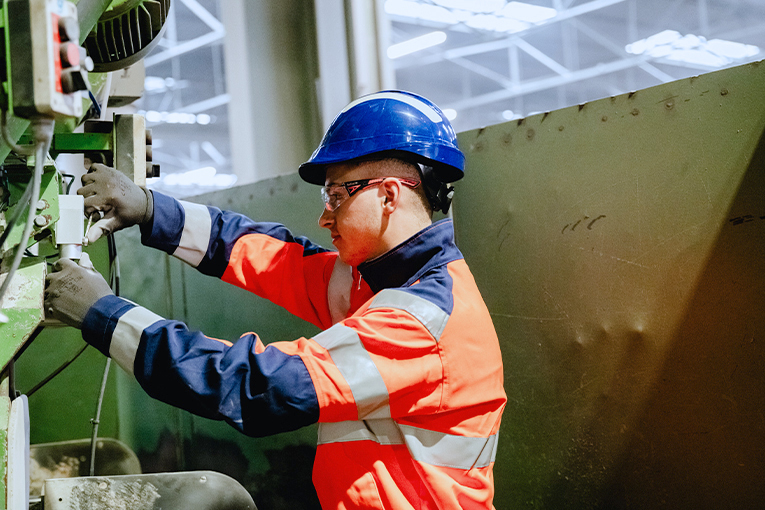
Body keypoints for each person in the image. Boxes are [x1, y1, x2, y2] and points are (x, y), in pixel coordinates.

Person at [45, 90, 506, 509]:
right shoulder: (378, 283)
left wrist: (105, 316)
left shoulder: (419, 321)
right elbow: (273, 258)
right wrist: (151, 209)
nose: (325, 216)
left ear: (388, 194)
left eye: (336, 195)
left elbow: (257, 387)